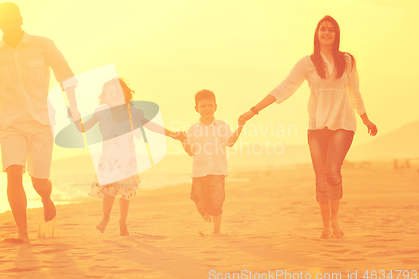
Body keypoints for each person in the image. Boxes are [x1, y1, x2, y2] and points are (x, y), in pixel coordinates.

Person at [238, 15, 378, 239]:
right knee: (320, 177)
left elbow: (355, 91)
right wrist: (253, 111)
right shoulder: (307, 62)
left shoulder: (348, 60)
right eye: (323, 29)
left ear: (336, 34)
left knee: (332, 171)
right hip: (317, 127)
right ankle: (325, 225)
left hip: (343, 123)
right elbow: (284, 87)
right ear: (317, 33)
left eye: (331, 29)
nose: (327, 33)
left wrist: (365, 118)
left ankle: (335, 221)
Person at [0, 2, 81, 243]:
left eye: (13, 19)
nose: (9, 24)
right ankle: (22, 234)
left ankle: (46, 199)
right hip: (10, 123)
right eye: (4, 20)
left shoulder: (43, 45)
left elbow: (66, 76)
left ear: (21, 19)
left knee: (39, 181)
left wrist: (74, 110)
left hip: (41, 121)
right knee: (13, 173)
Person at [76, 78, 186, 236]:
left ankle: (123, 222)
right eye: (110, 92)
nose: (115, 95)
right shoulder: (102, 112)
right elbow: (83, 128)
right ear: (105, 97)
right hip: (109, 161)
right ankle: (105, 217)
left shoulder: (133, 112)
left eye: (118, 91)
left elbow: (151, 126)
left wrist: (173, 134)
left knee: (124, 192)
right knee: (108, 191)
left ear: (126, 94)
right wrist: (74, 117)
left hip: (127, 160)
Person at [182, 89, 245, 235]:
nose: (207, 109)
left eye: (210, 105)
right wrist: (183, 140)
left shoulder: (222, 126)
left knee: (217, 200)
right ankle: (205, 211)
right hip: (199, 172)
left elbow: (230, 142)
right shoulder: (192, 130)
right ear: (196, 108)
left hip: (218, 170)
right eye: (203, 106)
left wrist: (241, 125)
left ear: (215, 106)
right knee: (199, 198)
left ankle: (216, 230)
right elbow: (189, 151)